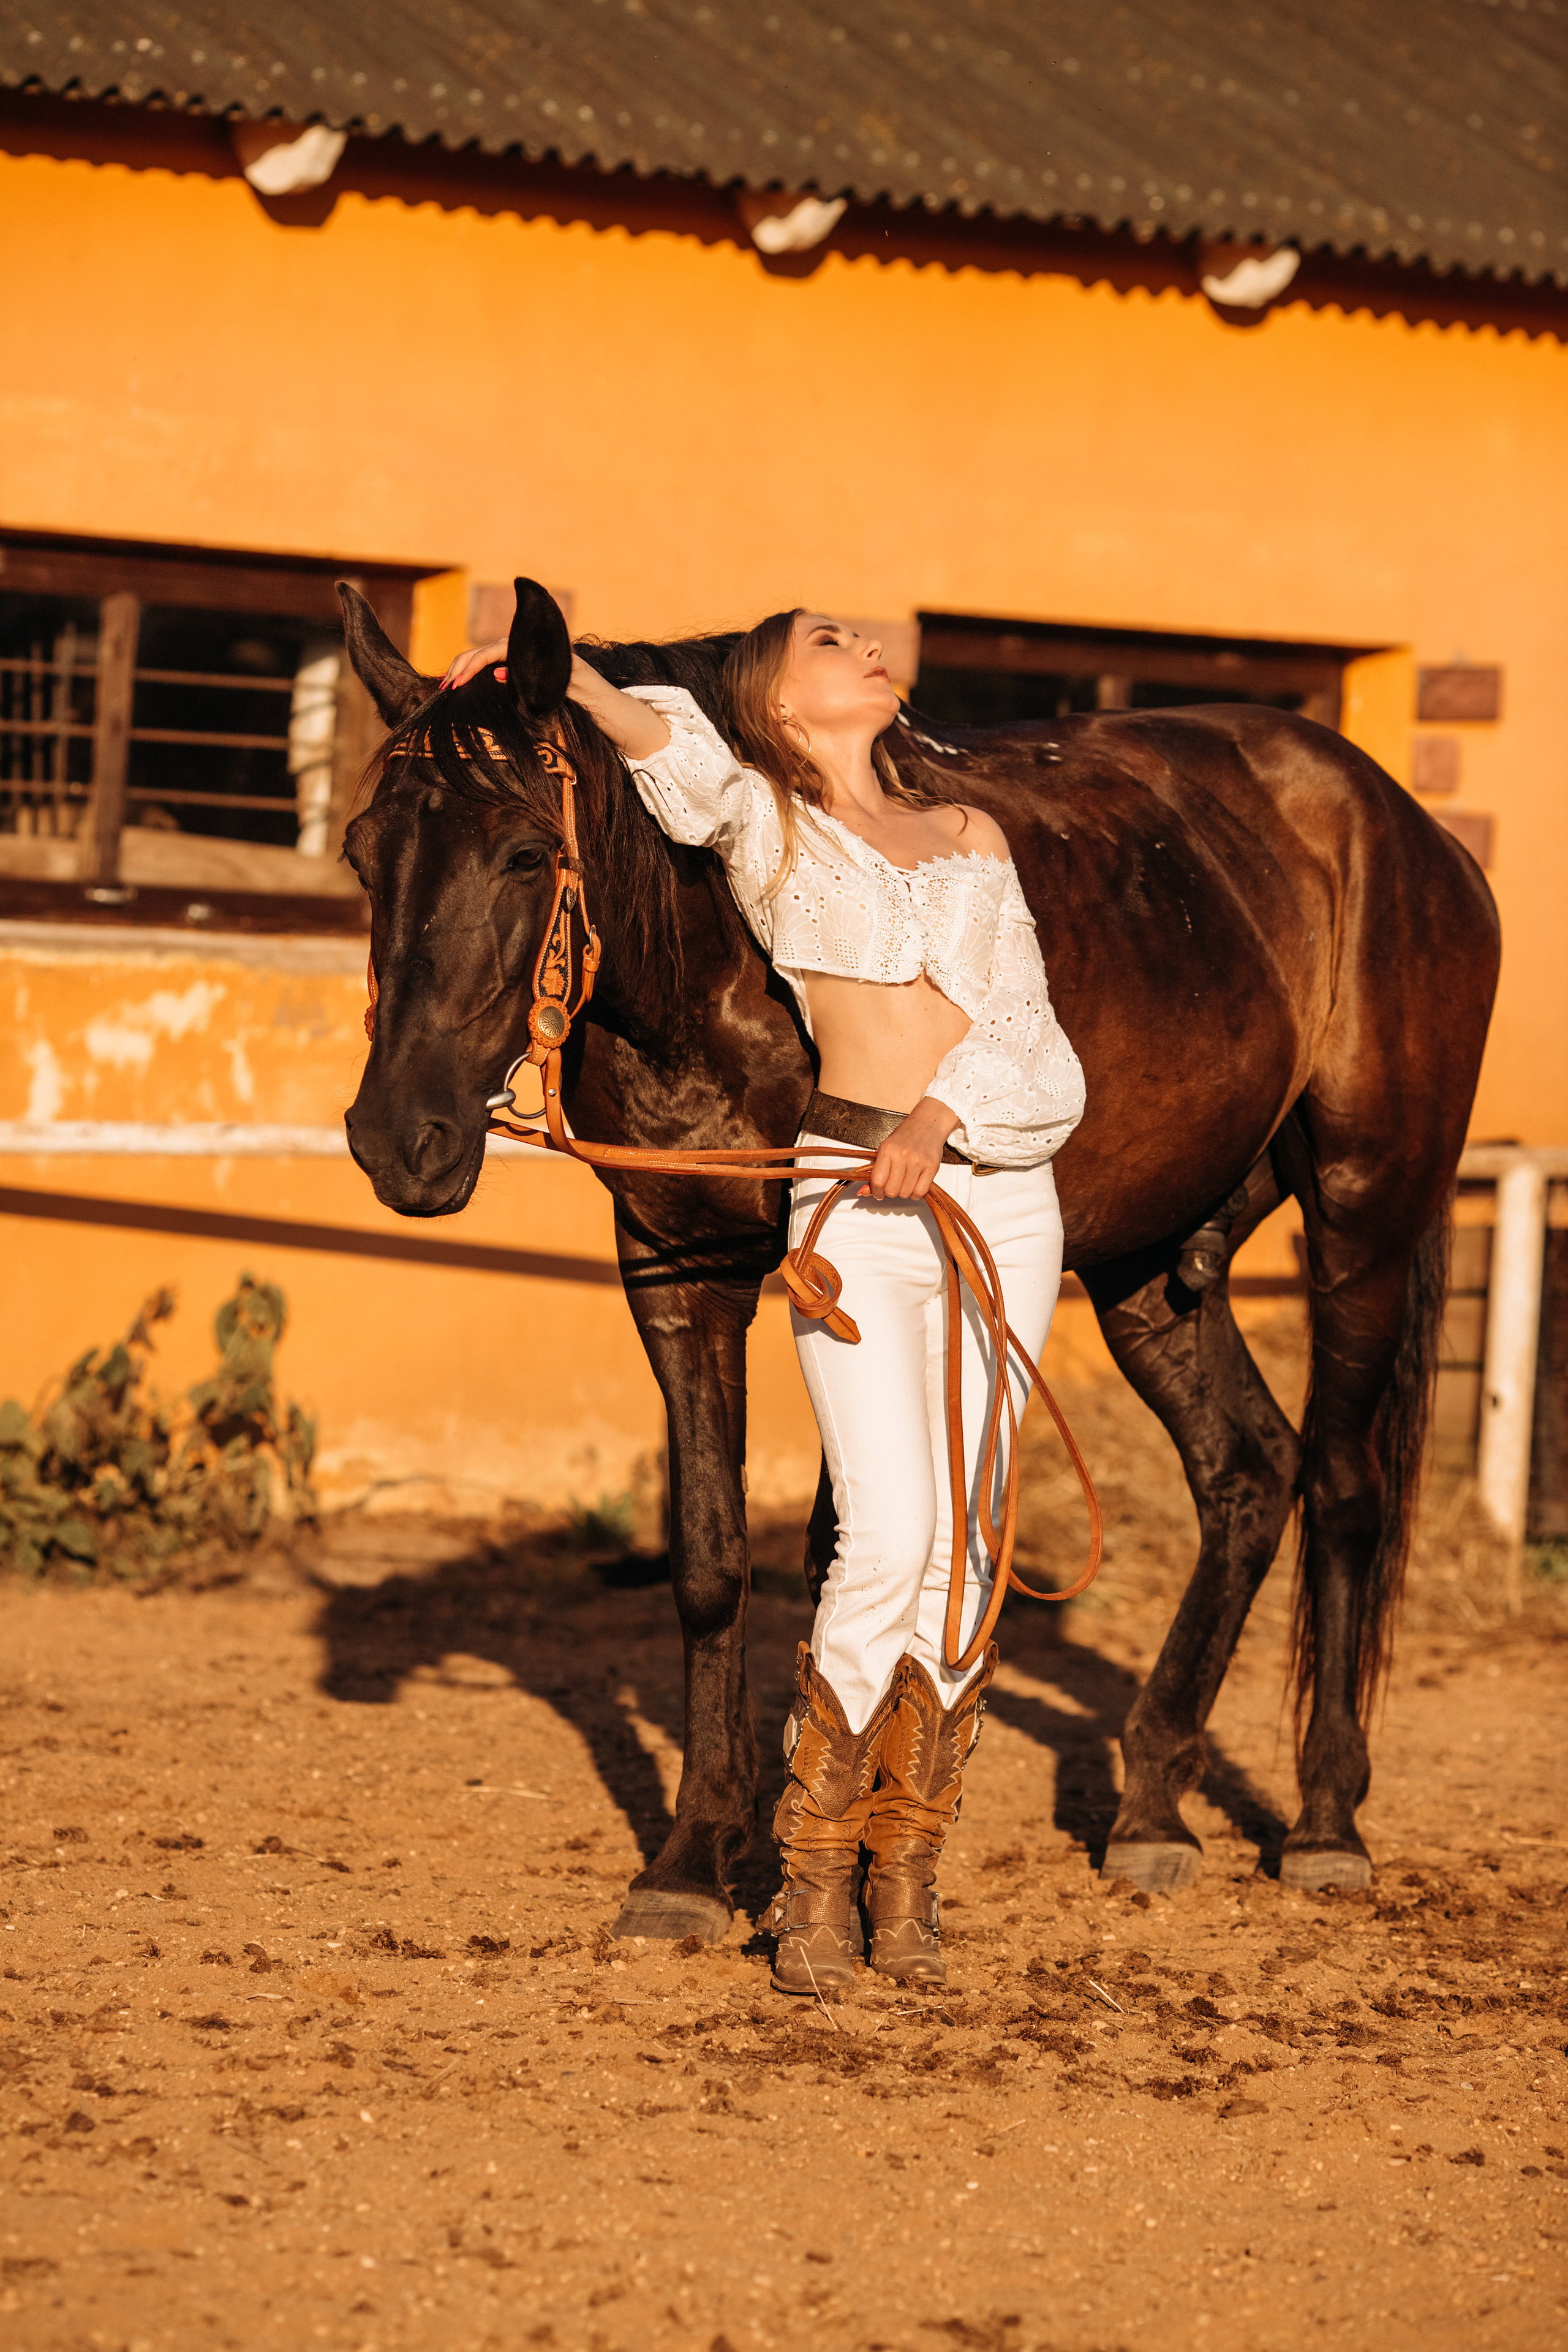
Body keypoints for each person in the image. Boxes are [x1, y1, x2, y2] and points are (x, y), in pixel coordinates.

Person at [444, 611, 1085, 1996]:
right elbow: (655, 738)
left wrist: (946, 1112)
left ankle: (902, 1875)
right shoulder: (766, 831)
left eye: (867, 637)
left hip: (999, 1194)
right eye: (825, 639)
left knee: (967, 1555)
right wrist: (540, 664)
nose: (864, 644)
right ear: (777, 706)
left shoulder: (971, 834)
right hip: (852, 1193)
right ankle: (807, 1884)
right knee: (886, 1534)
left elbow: (1028, 1026)